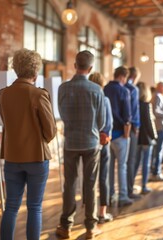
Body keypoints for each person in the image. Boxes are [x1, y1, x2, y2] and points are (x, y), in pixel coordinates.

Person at [0, 49, 56, 240]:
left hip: (12, 157)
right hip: (36, 157)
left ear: (16, 69)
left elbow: (8, 122)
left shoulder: (3, 94)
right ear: (35, 71)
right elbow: (50, 131)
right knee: (34, 207)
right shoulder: (38, 94)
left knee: (11, 206)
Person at [56, 50, 105, 239]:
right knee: (90, 184)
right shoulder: (96, 90)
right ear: (91, 68)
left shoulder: (63, 88)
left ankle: (66, 225)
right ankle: (90, 228)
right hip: (91, 142)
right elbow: (101, 122)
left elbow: (61, 114)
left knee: (70, 183)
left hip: (70, 142)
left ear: (75, 66)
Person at [104, 66, 133, 207]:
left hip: (107, 134)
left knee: (109, 167)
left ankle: (109, 195)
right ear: (122, 76)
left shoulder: (104, 89)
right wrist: (127, 132)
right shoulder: (124, 91)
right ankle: (123, 196)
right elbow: (127, 115)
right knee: (122, 166)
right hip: (121, 133)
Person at [88, 72, 114, 224]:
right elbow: (108, 124)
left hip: (89, 142)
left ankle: (89, 211)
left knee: (89, 178)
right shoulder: (104, 99)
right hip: (103, 142)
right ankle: (102, 212)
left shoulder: (87, 98)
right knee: (103, 177)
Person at [136, 82, 157, 194]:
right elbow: (149, 123)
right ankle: (143, 185)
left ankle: (132, 185)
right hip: (146, 138)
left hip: (136, 138)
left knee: (135, 163)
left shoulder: (134, 104)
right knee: (145, 163)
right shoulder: (146, 105)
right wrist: (154, 136)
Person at [126, 67, 142, 199]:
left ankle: (117, 191)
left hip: (116, 129)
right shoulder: (133, 89)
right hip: (130, 128)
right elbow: (134, 111)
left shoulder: (117, 87)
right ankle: (129, 190)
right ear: (135, 76)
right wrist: (136, 127)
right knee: (131, 160)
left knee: (120, 164)